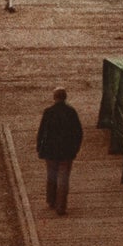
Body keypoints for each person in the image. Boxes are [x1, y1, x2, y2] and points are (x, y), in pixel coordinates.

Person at [35, 87, 84, 215]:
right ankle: (61, 207)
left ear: (54, 97)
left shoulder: (48, 112)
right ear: (65, 97)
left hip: (50, 150)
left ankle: (51, 200)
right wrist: (76, 147)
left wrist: (39, 146)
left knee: (51, 175)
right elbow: (78, 132)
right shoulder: (71, 112)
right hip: (67, 151)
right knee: (63, 178)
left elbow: (42, 131)